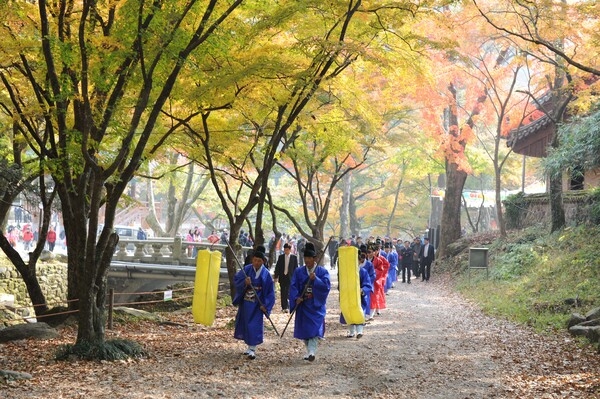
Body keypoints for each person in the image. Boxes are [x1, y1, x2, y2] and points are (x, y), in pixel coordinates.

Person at [289, 242, 331, 362]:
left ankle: (312, 351)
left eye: (309, 258)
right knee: (305, 330)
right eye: (305, 258)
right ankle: (309, 351)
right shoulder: (299, 271)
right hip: (303, 305)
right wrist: (296, 297)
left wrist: (316, 279)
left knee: (314, 329)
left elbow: (326, 287)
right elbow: (293, 286)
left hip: (315, 305)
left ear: (315, 258)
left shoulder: (322, 272)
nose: (306, 260)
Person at [232, 246, 275, 360]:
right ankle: (249, 347)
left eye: (259, 261)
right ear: (252, 260)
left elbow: (270, 292)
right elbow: (237, 280)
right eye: (255, 260)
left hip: (257, 305)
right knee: (245, 324)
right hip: (246, 303)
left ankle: (252, 349)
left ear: (263, 261)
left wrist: (265, 305)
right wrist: (245, 283)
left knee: (254, 326)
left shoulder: (266, 275)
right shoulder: (246, 269)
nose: (256, 262)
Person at [343, 251, 373, 338]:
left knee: (359, 313)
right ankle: (351, 331)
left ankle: (359, 331)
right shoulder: (346, 273)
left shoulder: (363, 272)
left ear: (359, 261)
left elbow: (367, 284)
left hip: (359, 297)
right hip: (349, 296)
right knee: (349, 313)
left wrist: (362, 290)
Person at [273, 243, 298, 313]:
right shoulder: (281, 257)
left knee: (289, 292)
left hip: (290, 277)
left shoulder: (294, 257)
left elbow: (296, 268)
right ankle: (284, 307)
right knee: (283, 292)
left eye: (287, 250)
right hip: (282, 276)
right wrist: (276, 276)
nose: (286, 251)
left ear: (290, 250)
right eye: (285, 250)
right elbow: (277, 267)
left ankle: (289, 306)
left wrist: (296, 278)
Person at [368, 242, 389, 317]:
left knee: (375, 295)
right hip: (368, 280)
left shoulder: (380, 259)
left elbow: (384, 268)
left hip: (377, 279)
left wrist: (375, 274)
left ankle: (376, 309)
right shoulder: (366, 260)